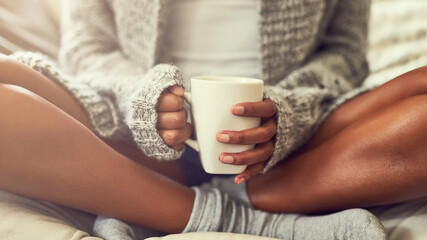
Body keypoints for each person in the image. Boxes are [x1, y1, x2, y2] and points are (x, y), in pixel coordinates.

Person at [0, 0, 426, 239]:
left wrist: (287, 112)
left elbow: (346, 56)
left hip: (294, 145)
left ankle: (143, 199)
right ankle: (231, 217)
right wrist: (144, 99)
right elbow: (85, 50)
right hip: (130, 130)